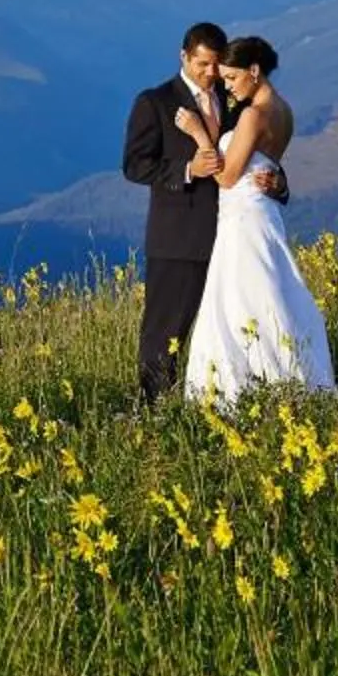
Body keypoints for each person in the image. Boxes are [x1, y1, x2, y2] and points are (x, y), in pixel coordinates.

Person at [120, 22, 284, 403]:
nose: (211, 74)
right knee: (166, 330)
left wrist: (278, 183)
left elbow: (256, 154)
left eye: (216, 65)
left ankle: (234, 397)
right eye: (202, 64)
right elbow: (134, 165)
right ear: (184, 57)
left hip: (231, 237)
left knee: (229, 326)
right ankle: (154, 406)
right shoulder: (156, 102)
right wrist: (188, 170)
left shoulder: (236, 101)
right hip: (178, 238)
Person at [175, 35, 335, 402]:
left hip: (243, 219)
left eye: (231, 78)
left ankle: (243, 385)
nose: (228, 87)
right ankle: (287, 376)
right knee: (268, 291)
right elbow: (268, 165)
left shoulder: (253, 114)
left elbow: (228, 176)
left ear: (254, 71)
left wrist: (200, 135)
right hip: (264, 212)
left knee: (238, 299)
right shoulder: (284, 111)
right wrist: (277, 184)